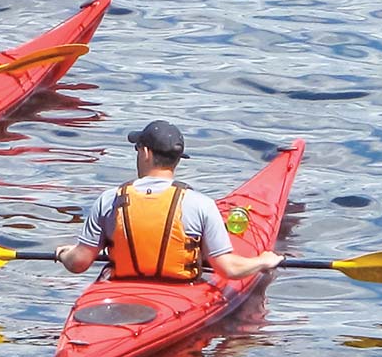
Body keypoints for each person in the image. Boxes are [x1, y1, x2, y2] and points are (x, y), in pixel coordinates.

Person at [54, 120, 283, 280]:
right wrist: (263, 261)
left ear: (145, 153)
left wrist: (66, 254)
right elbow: (228, 269)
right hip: (179, 289)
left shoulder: (109, 200)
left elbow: (79, 263)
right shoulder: (200, 204)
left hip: (122, 291)